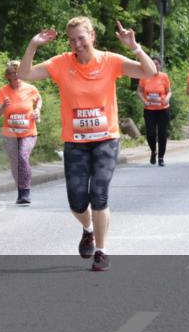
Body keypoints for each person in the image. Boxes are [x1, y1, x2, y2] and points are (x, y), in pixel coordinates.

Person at [19, 16, 156, 272]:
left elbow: (149, 72)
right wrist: (33, 46)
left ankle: (102, 251)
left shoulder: (110, 61)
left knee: (99, 194)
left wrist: (134, 47)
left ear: (92, 35)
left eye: (81, 37)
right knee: (77, 202)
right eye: (72, 39)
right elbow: (24, 73)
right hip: (76, 142)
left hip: (106, 140)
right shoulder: (61, 63)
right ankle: (88, 229)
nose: (76, 44)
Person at [0, 60, 42, 205]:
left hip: (28, 132)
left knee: (23, 156)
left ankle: (25, 191)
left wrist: (37, 110)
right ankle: (20, 190)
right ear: (8, 76)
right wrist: (3, 108)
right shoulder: (3, 91)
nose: (17, 75)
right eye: (14, 73)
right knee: (15, 162)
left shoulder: (31, 88)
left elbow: (39, 99)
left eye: (19, 72)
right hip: (10, 134)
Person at [137, 56, 171, 166]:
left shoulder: (164, 77)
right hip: (149, 110)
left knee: (162, 133)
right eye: (153, 63)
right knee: (150, 133)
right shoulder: (144, 76)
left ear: (160, 65)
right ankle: (153, 151)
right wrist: (144, 101)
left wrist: (166, 99)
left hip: (162, 109)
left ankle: (161, 157)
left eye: (157, 64)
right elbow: (139, 92)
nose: (155, 66)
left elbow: (169, 91)